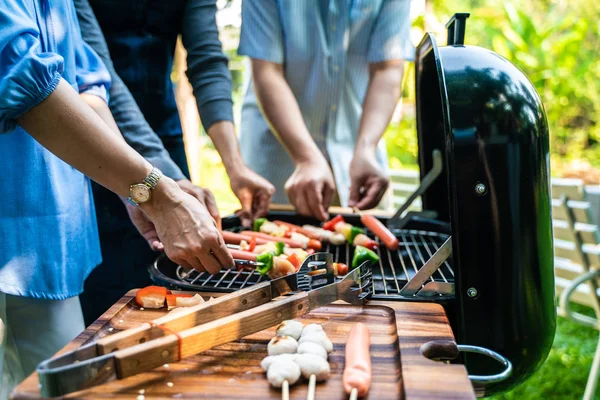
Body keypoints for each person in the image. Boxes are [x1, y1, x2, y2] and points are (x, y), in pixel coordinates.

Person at [0, 1, 233, 398]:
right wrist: (159, 198)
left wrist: (137, 194)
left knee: (67, 388)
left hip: (50, 239)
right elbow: (19, 74)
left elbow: (88, 82)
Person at [72, 0, 275, 325]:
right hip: (86, 131)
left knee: (172, 283)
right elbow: (97, 76)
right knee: (106, 296)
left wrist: (236, 167)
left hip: (162, 130)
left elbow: (207, 61)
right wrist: (161, 180)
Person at [238, 0, 415, 221]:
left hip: (357, 151)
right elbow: (267, 72)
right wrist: (305, 158)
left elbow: (387, 69)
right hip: (279, 156)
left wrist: (366, 148)